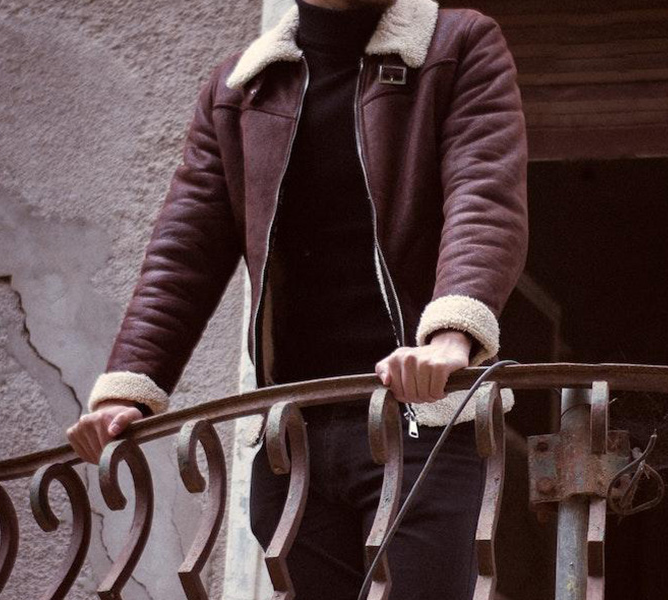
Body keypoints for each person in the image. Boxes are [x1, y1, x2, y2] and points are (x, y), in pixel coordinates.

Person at [67, 0, 527, 596]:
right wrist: (126, 391)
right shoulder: (240, 88)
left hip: (424, 420)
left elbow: (484, 192)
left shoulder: (456, 45)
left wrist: (450, 338)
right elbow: (183, 250)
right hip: (294, 444)